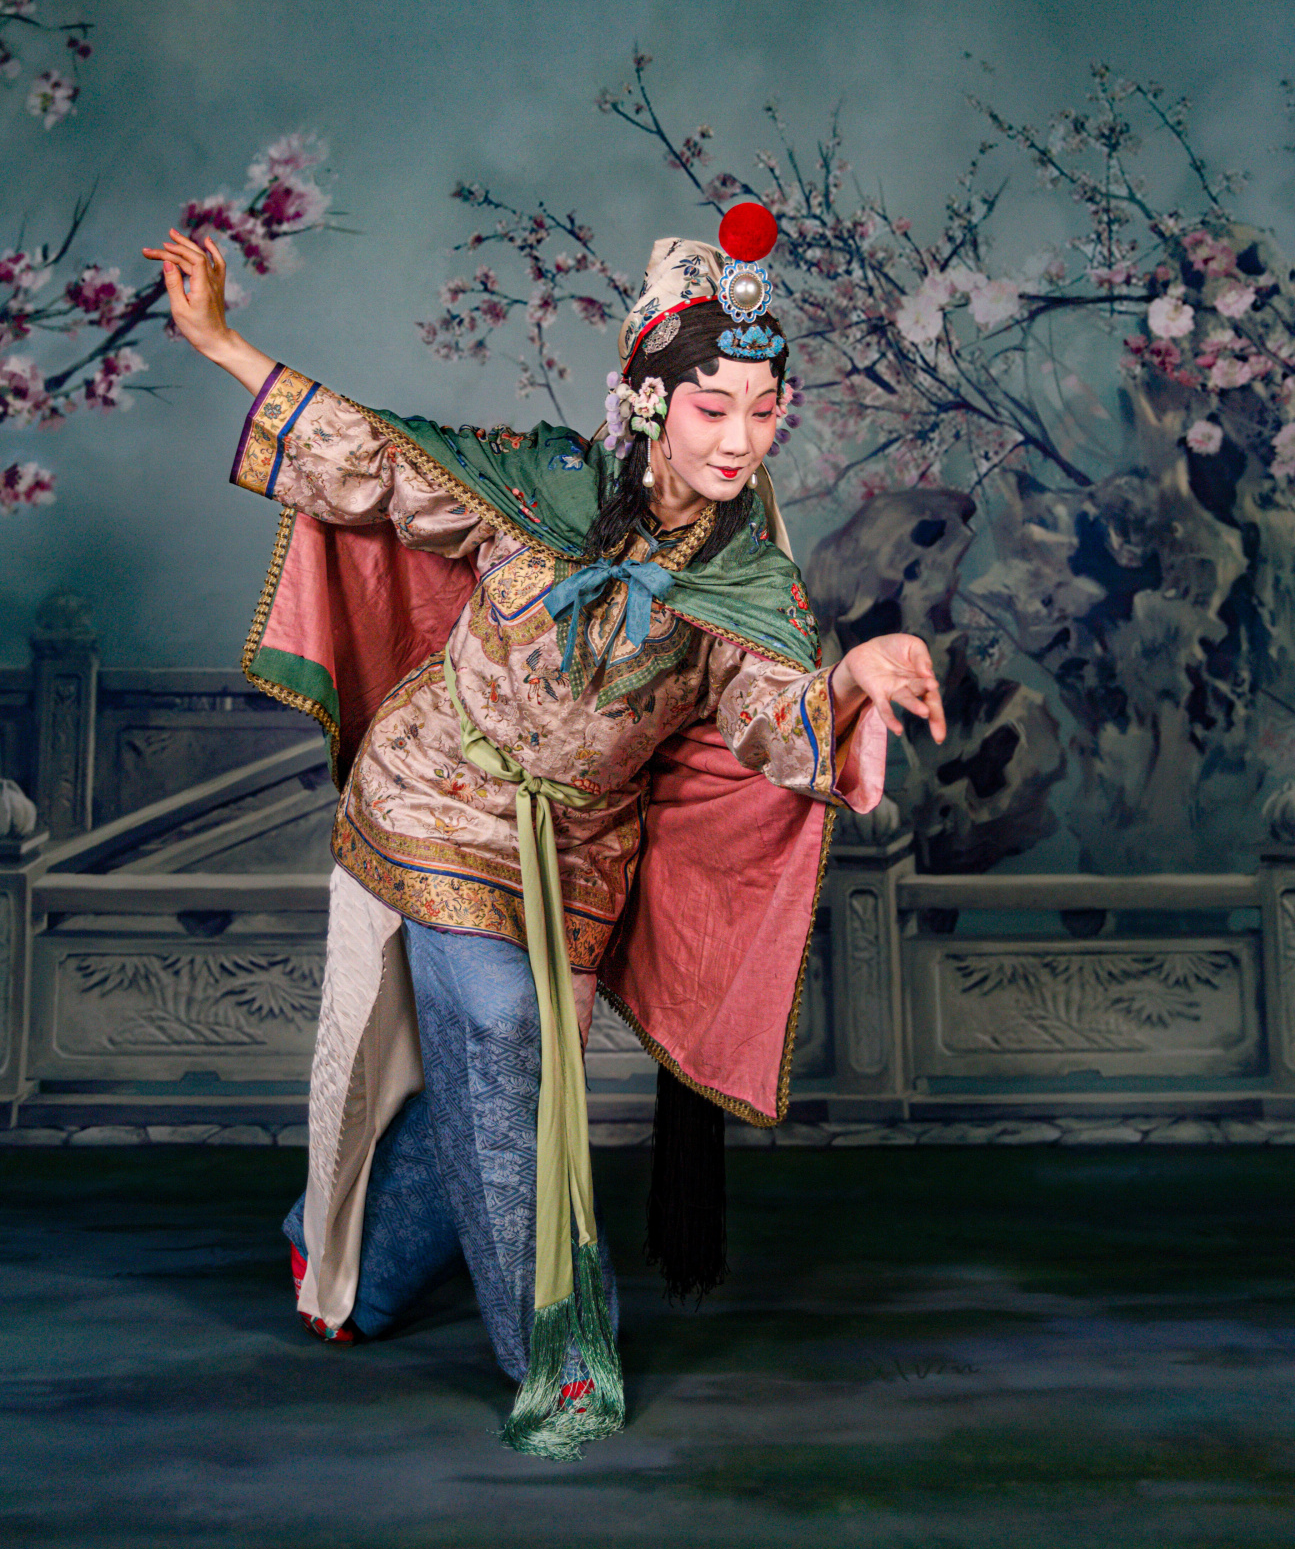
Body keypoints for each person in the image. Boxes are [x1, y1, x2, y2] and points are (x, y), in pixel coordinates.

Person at [143, 201, 946, 1460]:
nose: (739, 439)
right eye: (712, 407)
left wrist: (850, 675)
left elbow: (768, 725)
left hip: (577, 854)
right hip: (434, 793)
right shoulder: (538, 486)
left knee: (509, 1075)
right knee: (498, 1025)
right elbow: (377, 457)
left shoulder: (749, 583)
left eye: (762, 410)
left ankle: (346, 1253)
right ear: (647, 401)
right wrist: (222, 343)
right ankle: (558, 1348)